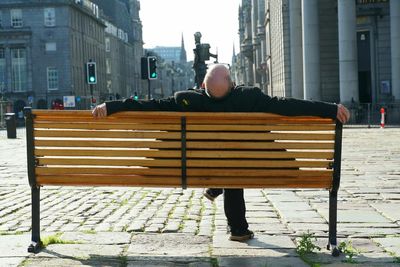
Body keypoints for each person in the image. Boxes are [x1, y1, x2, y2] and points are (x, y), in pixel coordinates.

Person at [92, 64, 350, 242]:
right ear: (230, 83)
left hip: (193, 168)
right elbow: (287, 106)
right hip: (247, 166)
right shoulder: (248, 98)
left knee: (225, 158)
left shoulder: (188, 100)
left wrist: (112, 106)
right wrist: (329, 109)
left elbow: (148, 106)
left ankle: (217, 188)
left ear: (203, 85)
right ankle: (237, 226)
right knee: (235, 159)